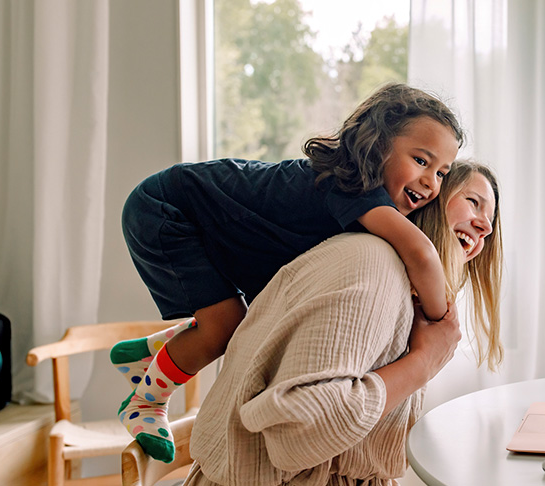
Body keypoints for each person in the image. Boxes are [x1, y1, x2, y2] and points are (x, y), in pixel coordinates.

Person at [112, 83, 464, 462]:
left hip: (202, 217)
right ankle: (145, 403)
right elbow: (422, 253)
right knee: (224, 328)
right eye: (421, 161)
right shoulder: (352, 185)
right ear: (377, 146)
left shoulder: (358, 200)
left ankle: (151, 355)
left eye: (443, 172)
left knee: (244, 319)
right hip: (166, 208)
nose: (431, 183)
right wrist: (438, 322)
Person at [183, 160, 503, 485]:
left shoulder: (397, 279)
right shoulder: (373, 266)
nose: (486, 230)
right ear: (429, 195)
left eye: (489, 223)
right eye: (473, 202)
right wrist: (423, 362)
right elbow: (296, 431)